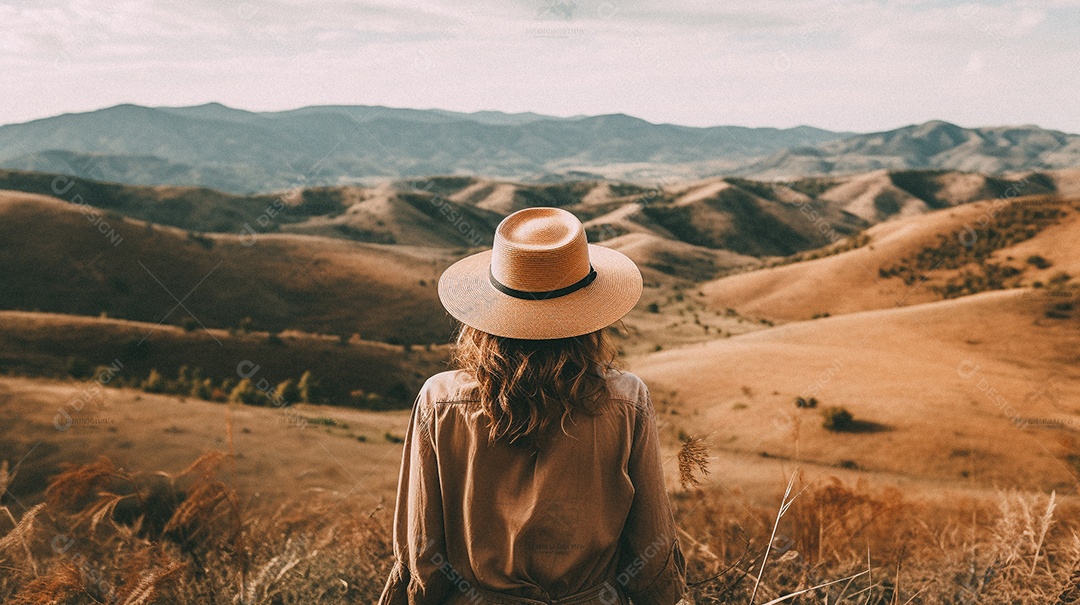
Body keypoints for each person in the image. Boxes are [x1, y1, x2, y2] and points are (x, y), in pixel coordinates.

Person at [377, 207, 687, 605]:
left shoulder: (439, 401)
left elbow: (422, 549)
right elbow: (651, 548)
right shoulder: (627, 400)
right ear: (590, 315)